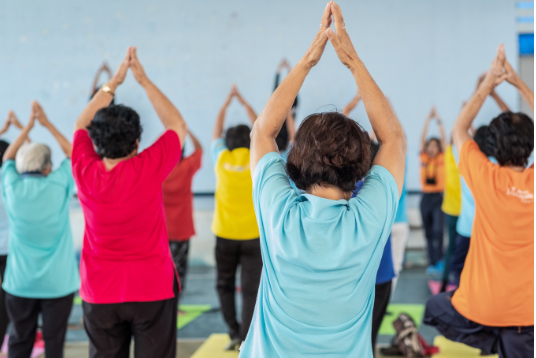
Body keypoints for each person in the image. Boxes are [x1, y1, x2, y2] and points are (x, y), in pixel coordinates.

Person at [239, 3, 405, 357]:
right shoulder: (368, 220)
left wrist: (308, 61)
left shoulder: (279, 213)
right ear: (362, 166)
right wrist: (352, 62)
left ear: (297, 159)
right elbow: (393, 139)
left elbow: (263, 131)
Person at [72, 47, 188, 358]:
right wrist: (144, 81)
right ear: (137, 143)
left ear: (97, 143)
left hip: (99, 293)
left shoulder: (84, 168)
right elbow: (177, 125)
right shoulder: (149, 166)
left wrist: (113, 84)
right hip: (151, 289)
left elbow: (80, 125)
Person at [424, 45, 534, 358]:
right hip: (527, 313)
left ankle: (494, 341)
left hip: (481, 307)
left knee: (435, 309)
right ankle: (504, 342)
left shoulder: (485, 176)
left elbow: (459, 127)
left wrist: (489, 83)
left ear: (494, 149)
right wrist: (518, 83)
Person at [2, 101, 79, 358]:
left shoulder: (11, 187)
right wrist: (45, 124)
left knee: (19, 341)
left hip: (20, 284)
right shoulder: (58, 185)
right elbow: (73, 154)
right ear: (48, 167)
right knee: (54, 344)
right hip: (58, 285)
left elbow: (7, 158)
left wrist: (25, 129)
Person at [445, 75, 510, 289]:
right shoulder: (499, 164)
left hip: (467, 228)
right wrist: (492, 92)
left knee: (460, 271)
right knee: (490, 275)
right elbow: (511, 123)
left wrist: (481, 89)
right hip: (492, 230)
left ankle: (463, 302)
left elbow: (461, 127)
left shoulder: (467, 159)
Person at [211, 84, 261, 350]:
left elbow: (215, 134)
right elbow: (264, 130)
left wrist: (224, 106)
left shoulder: (220, 159)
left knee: (224, 285)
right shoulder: (257, 159)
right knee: (251, 290)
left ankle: (232, 332)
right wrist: (244, 102)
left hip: (225, 234)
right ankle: (245, 336)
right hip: (254, 237)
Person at [343, 93, 409, 290]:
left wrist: (355, 103)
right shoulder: (393, 171)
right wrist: (385, 106)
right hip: (397, 222)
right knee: (392, 268)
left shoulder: (356, 187)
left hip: (386, 225)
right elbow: (397, 138)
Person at [162, 130, 203, 313]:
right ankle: (175, 306)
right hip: (181, 229)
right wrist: (187, 131)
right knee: (178, 271)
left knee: (161, 269)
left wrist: (167, 134)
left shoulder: (159, 170)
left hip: (160, 230)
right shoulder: (186, 167)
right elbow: (200, 149)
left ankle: (161, 305)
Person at [0, 111, 26, 353]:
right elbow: (33, 154)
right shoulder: (14, 183)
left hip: (7, 251)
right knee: (10, 305)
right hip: (11, 252)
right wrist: (22, 129)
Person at [419, 106, 446, 275]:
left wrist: (438, 120)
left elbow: (444, 138)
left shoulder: (441, 158)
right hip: (425, 198)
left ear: (438, 148)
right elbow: (422, 138)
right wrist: (428, 119)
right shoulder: (424, 157)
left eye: (435, 146)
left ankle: (440, 260)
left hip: (438, 197)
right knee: (428, 232)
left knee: (438, 230)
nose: (432, 148)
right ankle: (432, 261)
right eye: (430, 145)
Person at [274, 59, 299, 154]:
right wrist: (287, 69)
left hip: (282, 132)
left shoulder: (277, 103)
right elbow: (295, 85)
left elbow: (295, 85)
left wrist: (279, 70)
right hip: (285, 133)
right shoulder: (293, 102)